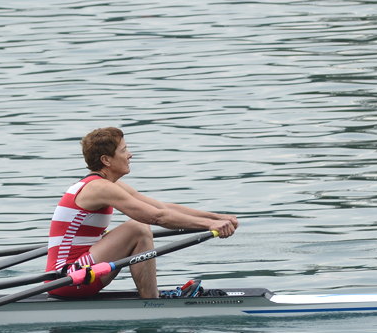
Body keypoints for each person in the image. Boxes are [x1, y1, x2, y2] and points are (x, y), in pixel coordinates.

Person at [46, 127, 238, 299]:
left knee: (139, 230)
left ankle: (151, 298)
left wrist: (217, 218)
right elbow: (157, 217)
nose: (130, 155)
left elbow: (162, 208)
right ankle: (152, 301)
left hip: (80, 271)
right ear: (106, 160)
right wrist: (209, 226)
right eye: (123, 150)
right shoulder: (99, 188)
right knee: (138, 229)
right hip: (67, 277)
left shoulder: (105, 185)